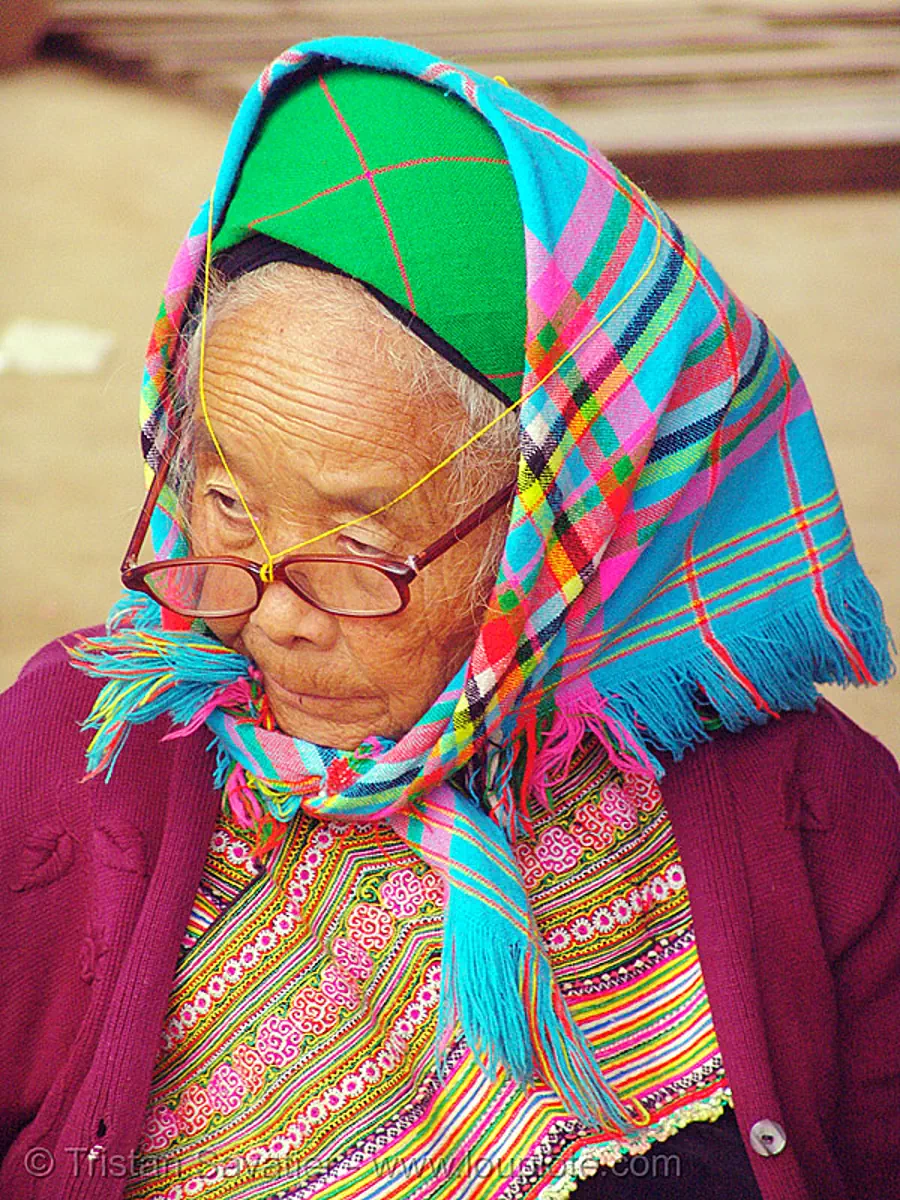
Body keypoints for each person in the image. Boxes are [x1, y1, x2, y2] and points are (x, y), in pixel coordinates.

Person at [1, 37, 897, 1200]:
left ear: (560, 521)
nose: (270, 618)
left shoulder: (805, 807)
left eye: (361, 547)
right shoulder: (74, 755)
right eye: (225, 501)